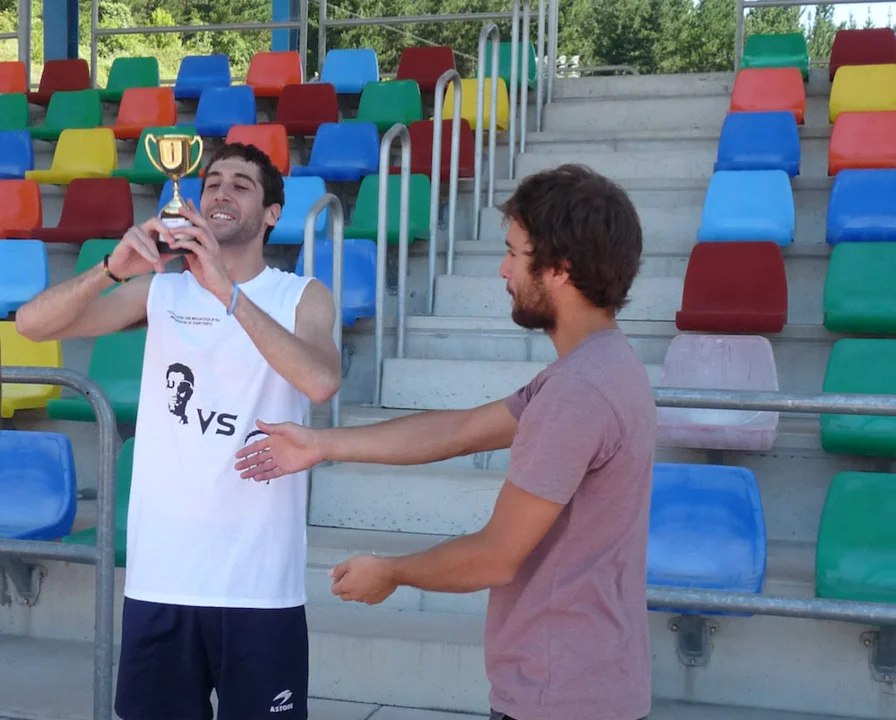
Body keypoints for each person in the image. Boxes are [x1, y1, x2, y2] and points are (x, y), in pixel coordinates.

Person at [236, 163, 656, 720]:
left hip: (562, 697)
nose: (504, 269)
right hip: (584, 683)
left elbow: (494, 558)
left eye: (515, 253)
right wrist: (321, 443)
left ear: (561, 268)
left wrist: (392, 573)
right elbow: (460, 431)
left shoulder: (578, 392)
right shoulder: (603, 365)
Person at [16, 142, 341, 720]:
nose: (221, 192)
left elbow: (320, 382)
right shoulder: (161, 291)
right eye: (212, 182)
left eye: (241, 185)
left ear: (272, 213)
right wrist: (111, 269)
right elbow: (31, 325)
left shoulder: (301, 295)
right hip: (162, 576)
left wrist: (227, 293)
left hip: (258, 582)